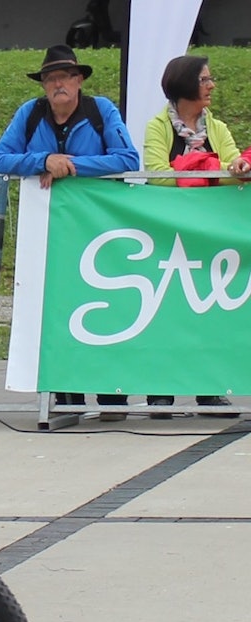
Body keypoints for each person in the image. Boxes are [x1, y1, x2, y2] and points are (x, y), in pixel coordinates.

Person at [0, 44, 141, 421]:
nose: (58, 84)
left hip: (100, 230)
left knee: (107, 305)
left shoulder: (101, 110)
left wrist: (71, 165)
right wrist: (42, 159)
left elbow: (128, 159)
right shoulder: (30, 114)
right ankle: (66, 399)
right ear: (43, 84)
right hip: (50, 234)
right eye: (50, 78)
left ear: (79, 80)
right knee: (57, 306)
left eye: (65, 77)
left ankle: (112, 398)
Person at [142, 55, 247, 420]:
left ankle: (210, 391)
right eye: (205, 79)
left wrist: (237, 168)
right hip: (168, 236)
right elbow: (156, 174)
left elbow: (232, 166)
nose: (212, 85)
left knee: (208, 311)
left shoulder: (216, 127)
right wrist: (205, 167)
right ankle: (160, 391)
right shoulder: (158, 127)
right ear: (185, 84)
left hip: (208, 238)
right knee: (167, 312)